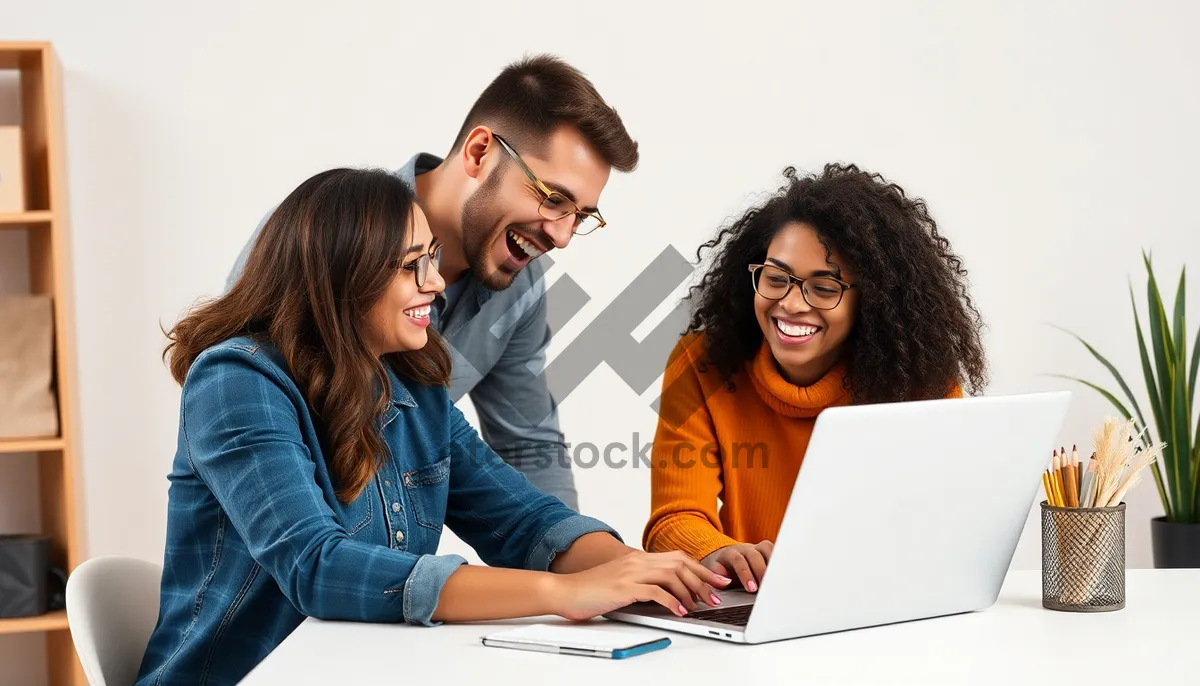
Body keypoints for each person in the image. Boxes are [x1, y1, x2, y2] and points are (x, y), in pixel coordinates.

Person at [137, 168, 727, 685]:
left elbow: (523, 521)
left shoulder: (414, 384)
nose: (437, 282)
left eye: (431, 258)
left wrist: (641, 573)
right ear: (341, 276)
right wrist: (565, 594)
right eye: (409, 266)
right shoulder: (237, 380)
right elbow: (317, 566)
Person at [224, 54, 640, 510]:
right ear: (480, 152)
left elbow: (526, 445)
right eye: (553, 198)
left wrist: (584, 562)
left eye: (579, 216)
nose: (561, 236)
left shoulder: (520, 285)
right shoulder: (320, 234)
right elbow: (237, 411)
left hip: (392, 565)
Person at [642, 163, 989, 591]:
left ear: (873, 301)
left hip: (884, 604)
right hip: (756, 605)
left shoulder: (919, 382)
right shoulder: (701, 364)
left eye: (824, 288)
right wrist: (717, 552)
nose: (790, 304)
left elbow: (947, 523)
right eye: (775, 278)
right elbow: (675, 518)